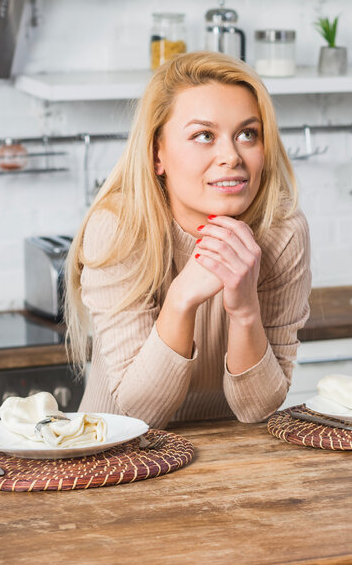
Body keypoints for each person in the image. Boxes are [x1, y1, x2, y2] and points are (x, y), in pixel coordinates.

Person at [64, 52, 311, 428]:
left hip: (231, 465)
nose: (231, 156)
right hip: (112, 462)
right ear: (156, 154)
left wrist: (244, 310)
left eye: (248, 134)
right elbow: (140, 414)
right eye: (203, 136)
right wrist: (181, 298)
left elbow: (256, 409)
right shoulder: (118, 228)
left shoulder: (282, 232)